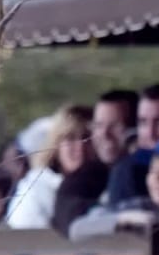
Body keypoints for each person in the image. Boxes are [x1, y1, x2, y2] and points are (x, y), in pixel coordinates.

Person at [69, 136, 159, 240]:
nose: (156, 178)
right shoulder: (137, 207)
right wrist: (124, 218)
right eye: (152, 170)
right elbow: (77, 228)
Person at [53, 88, 139, 235]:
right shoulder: (84, 177)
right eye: (98, 125)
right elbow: (70, 217)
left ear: (136, 128)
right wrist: (117, 218)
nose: (104, 134)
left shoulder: (158, 170)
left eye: (115, 126)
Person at [5, 105, 95, 229]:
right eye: (70, 138)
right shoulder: (34, 191)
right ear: (56, 144)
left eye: (87, 138)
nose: (80, 147)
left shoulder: (111, 184)